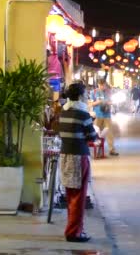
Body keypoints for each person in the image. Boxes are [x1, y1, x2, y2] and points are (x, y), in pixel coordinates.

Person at [58, 83, 98, 243]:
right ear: (81, 96)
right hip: (79, 156)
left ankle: (73, 229)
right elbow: (92, 136)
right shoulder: (83, 114)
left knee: (70, 194)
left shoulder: (63, 112)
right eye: (86, 94)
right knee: (79, 196)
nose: (87, 96)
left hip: (65, 155)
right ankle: (74, 232)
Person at [91, 79, 118, 156]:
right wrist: (98, 102)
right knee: (97, 133)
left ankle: (112, 150)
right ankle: (97, 150)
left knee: (109, 133)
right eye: (100, 85)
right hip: (97, 115)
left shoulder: (109, 92)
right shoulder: (94, 92)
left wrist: (110, 103)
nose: (102, 87)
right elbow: (91, 104)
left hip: (107, 115)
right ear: (98, 84)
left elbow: (112, 102)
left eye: (104, 85)